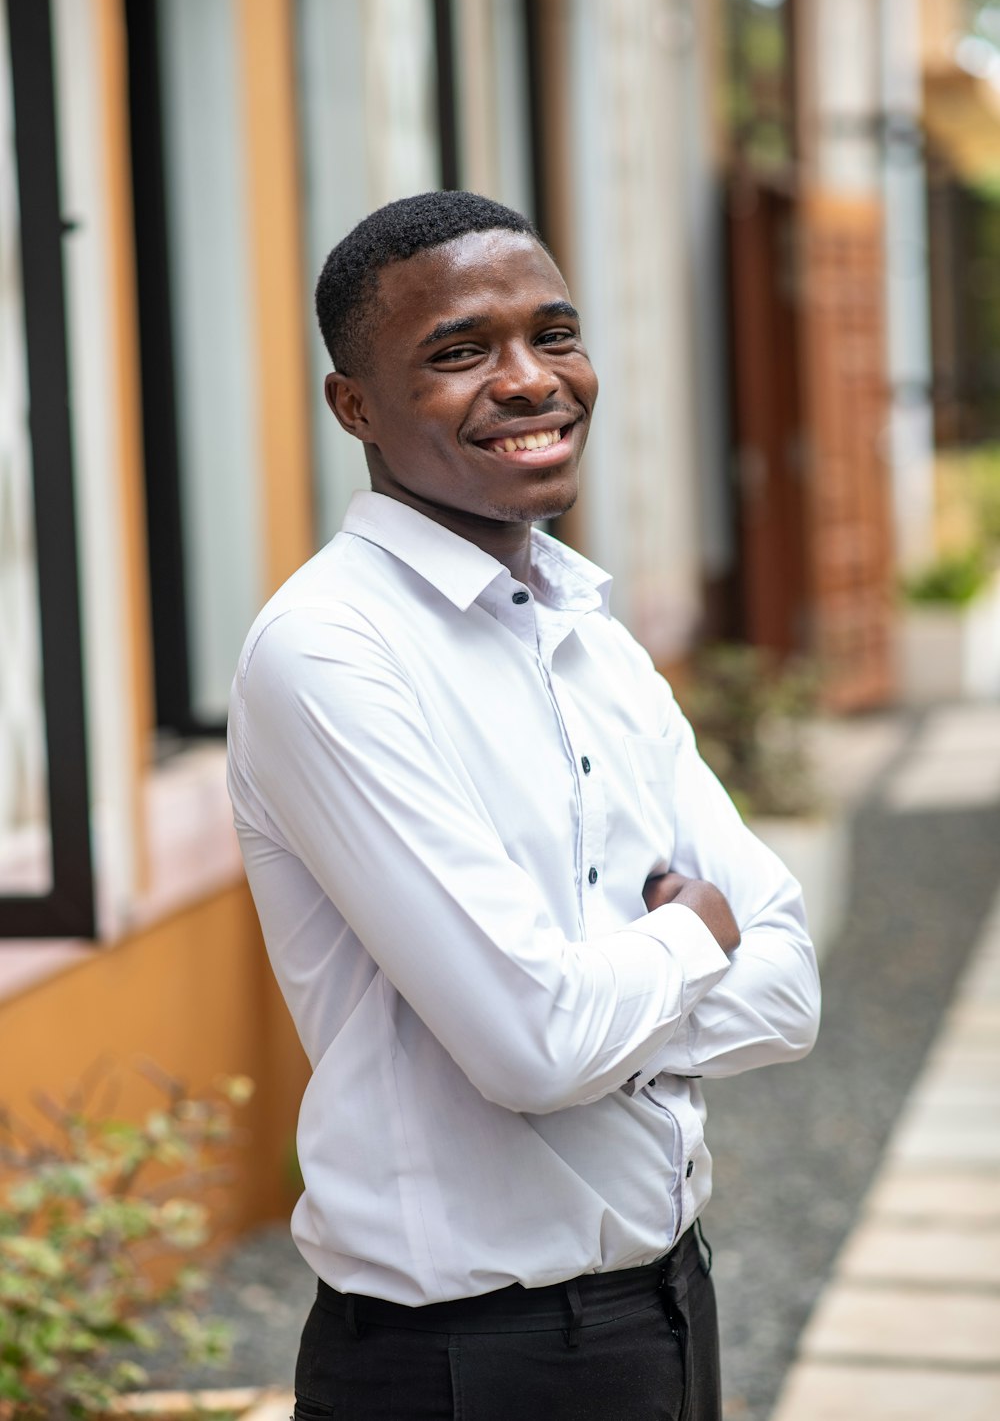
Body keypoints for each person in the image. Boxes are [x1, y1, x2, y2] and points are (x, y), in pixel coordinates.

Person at [227, 190, 820, 1421]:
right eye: (459, 352)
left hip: (669, 1307)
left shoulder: (587, 636)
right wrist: (689, 934)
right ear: (357, 408)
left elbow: (792, 988)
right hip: (463, 1363)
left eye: (554, 334)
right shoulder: (332, 654)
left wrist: (599, 1005)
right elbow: (529, 1044)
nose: (530, 380)